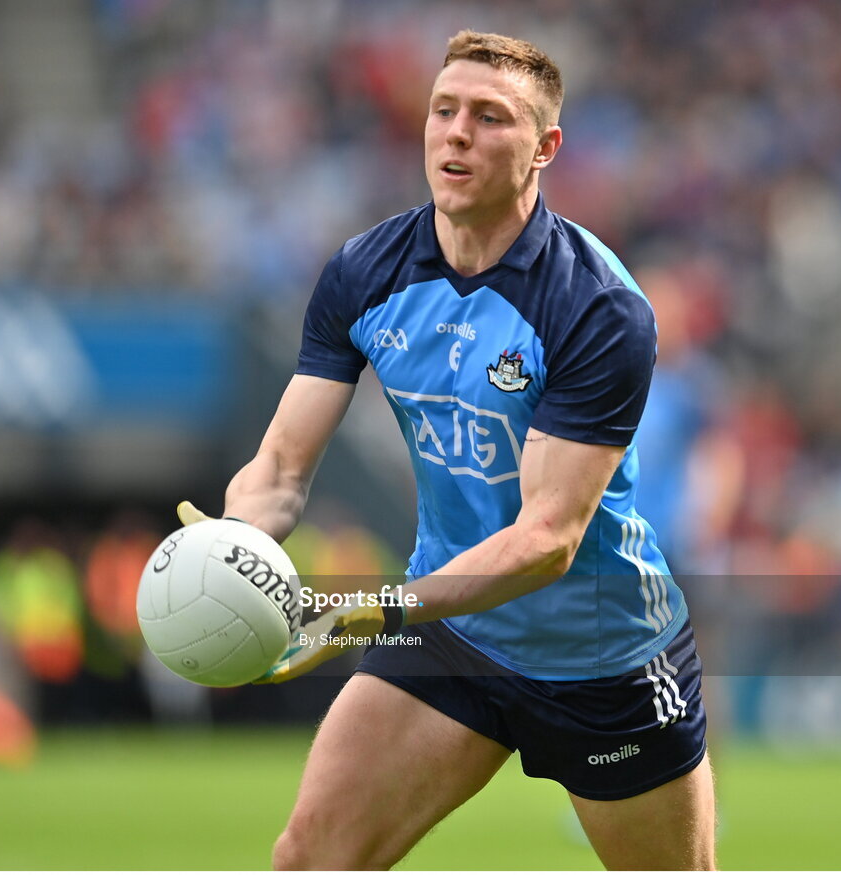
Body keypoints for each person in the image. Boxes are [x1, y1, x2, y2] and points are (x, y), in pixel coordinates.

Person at [179, 30, 715, 870]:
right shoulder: (365, 272)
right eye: (443, 110)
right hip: (453, 633)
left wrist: (380, 607)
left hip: (601, 654)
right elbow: (280, 468)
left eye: (490, 117)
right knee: (309, 858)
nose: (457, 132)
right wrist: (234, 543)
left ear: (545, 148)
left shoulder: (598, 306)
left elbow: (548, 539)